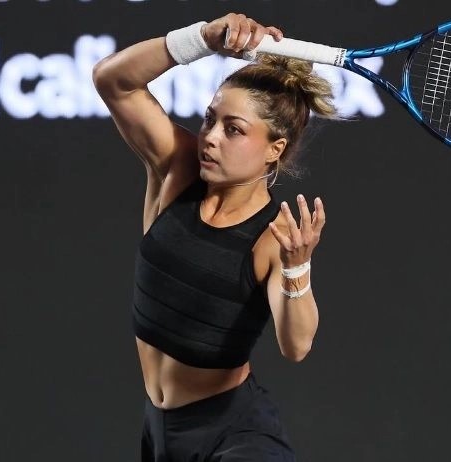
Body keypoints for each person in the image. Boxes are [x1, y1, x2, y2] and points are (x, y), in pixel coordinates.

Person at [92, 12, 338, 461]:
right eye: (210, 119)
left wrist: (297, 267)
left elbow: (296, 346)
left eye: (234, 130)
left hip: (235, 435)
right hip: (160, 432)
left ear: (275, 149)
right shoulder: (178, 170)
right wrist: (202, 39)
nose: (210, 137)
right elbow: (113, 81)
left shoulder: (274, 236)